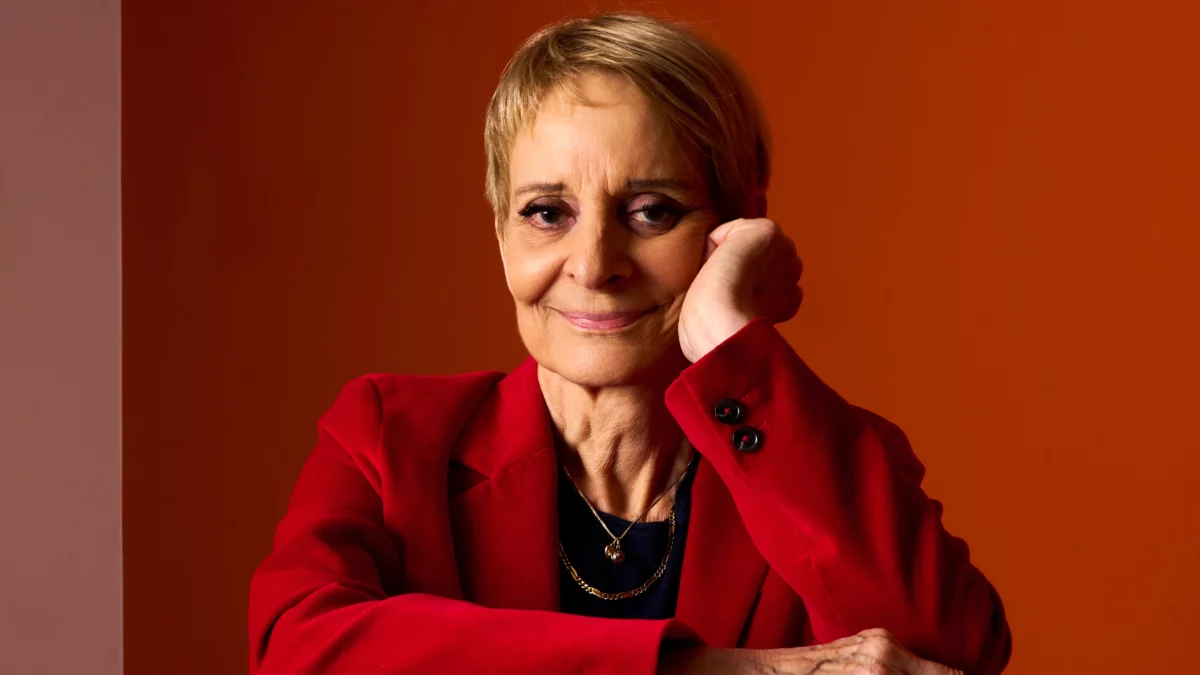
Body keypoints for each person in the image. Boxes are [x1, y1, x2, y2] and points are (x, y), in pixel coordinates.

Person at [249, 12, 1011, 675]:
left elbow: (952, 655)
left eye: (651, 211)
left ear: (737, 227)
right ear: (501, 235)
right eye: (547, 213)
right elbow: (297, 652)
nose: (593, 264)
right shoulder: (387, 438)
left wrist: (728, 335)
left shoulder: (816, 456)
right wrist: (708, 670)